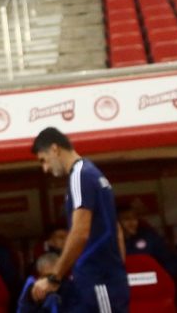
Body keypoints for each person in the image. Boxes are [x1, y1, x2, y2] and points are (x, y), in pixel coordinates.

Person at [30, 128, 129, 313]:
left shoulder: (80, 175)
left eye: (43, 160)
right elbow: (117, 230)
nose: (45, 168)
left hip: (99, 282)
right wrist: (116, 271)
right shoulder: (92, 173)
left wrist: (54, 277)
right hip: (103, 280)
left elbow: (80, 232)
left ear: (54, 149)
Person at [117, 203, 177, 281]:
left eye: (135, 218)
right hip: (123, 284)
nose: (133, 223)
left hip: (152, 283)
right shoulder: (109, 243)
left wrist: (162, 279)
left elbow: (169, 262)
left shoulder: (149, 237)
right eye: (127, 219)